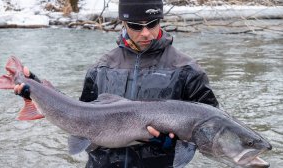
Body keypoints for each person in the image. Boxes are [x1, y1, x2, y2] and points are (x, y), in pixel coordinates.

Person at [15, 0, 219, 167]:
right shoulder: (101, 67)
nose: (146, 32)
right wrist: (37, 88)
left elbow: (212, 126)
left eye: (153, 23)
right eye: (136, 26)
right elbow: (80, 113)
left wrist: (177, 143)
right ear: (123, 23)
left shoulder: (187, 69)